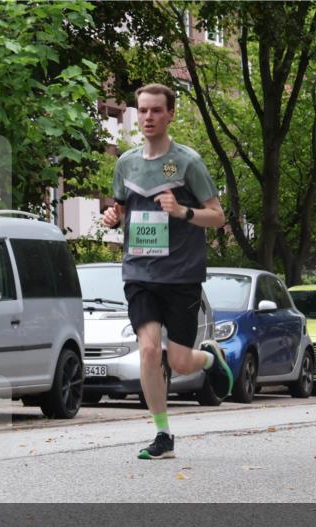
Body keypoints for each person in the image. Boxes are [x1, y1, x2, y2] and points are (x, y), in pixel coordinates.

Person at [100, 83, 233, 460]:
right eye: (142, 111)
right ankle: (163, 435)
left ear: (170, 114)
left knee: (178, 361)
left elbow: (218, 216)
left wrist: (182, 212)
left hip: (181, 275)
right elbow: (121, 210)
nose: (148, 118)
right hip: (140, 272)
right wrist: (112, 217)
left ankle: (208, 358)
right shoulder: (126, 163)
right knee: (147, 349)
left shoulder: (188, 162)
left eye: (156, 110)